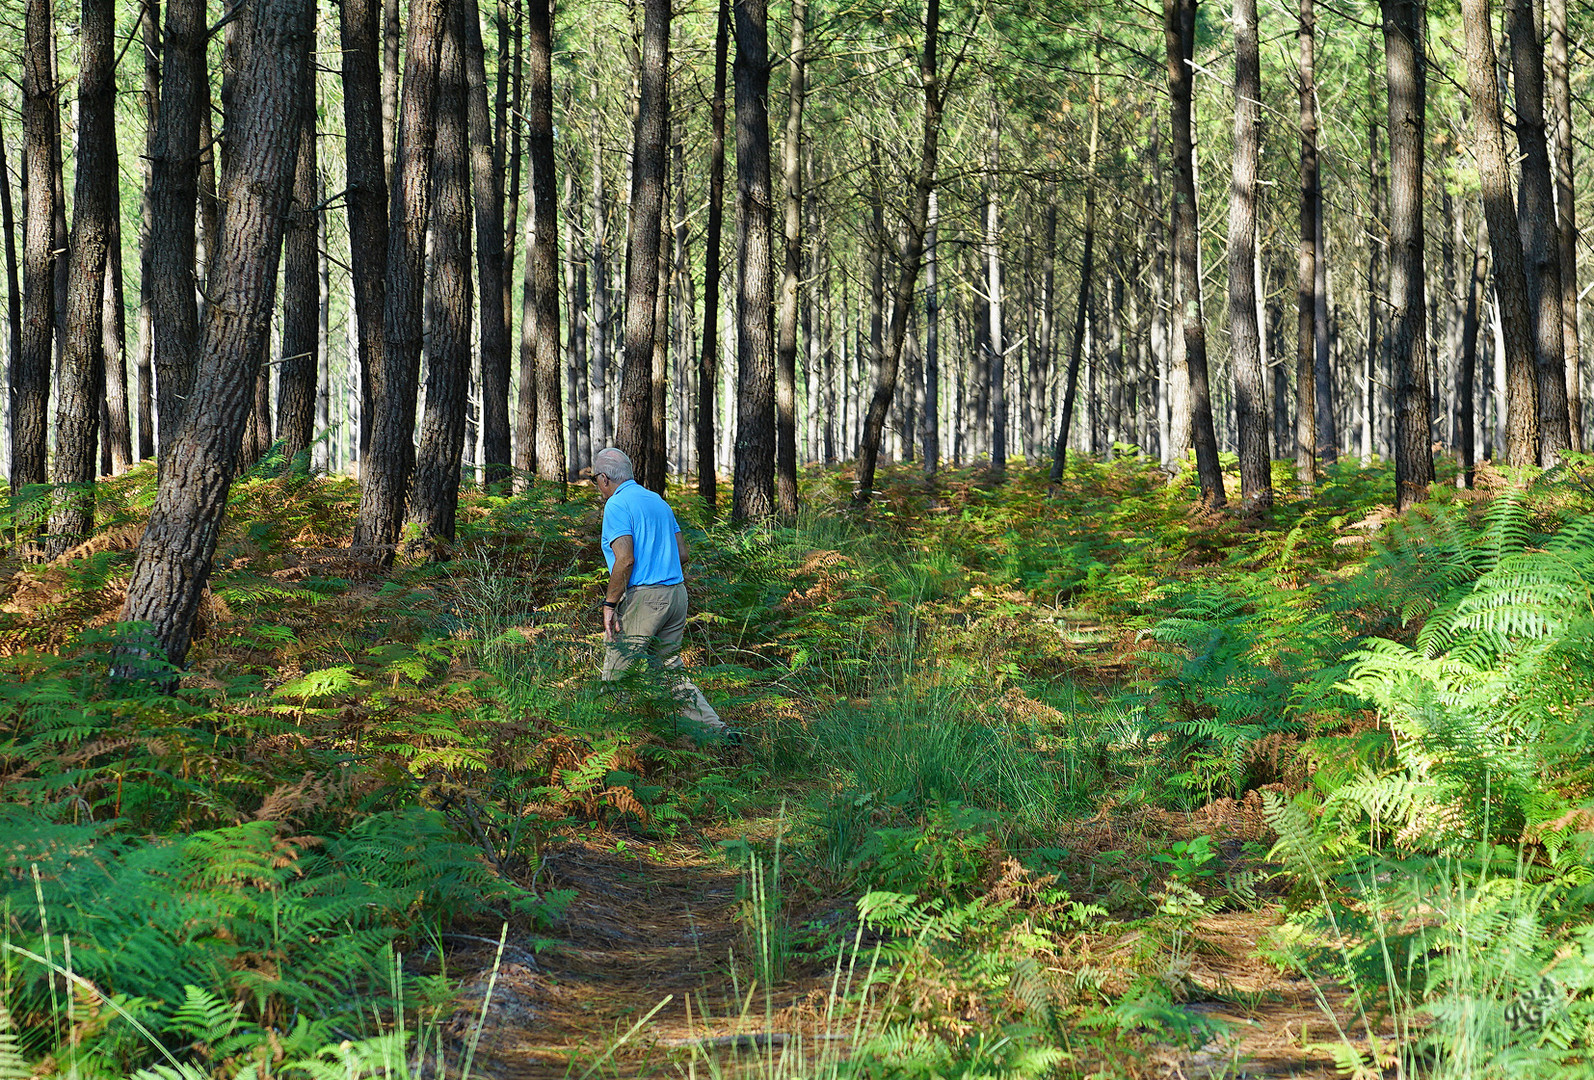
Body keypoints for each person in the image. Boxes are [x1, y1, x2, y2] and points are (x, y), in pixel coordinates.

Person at [592, 447, 727, 739]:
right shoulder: (657, 501)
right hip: (676, 595)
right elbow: (682, 553)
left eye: (595, 480)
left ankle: (609, 745)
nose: (597, 486)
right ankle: (718, 735)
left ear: (604, 478)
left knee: (616, 671)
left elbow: (625, 559)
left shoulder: (616, 505)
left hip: (645, 598)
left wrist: (609, 603)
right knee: (669, 671)